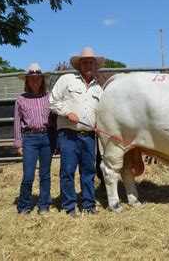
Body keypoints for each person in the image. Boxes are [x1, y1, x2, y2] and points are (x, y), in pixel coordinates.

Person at [49, 47, 105, 216]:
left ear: (95, 65)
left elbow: (103, 112)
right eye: (85, 62)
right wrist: (67, 113)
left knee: (89, 171)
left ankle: (88, 205)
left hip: (89, 136)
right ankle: (69, 206)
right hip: (68, 135)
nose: (88, 64)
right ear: (79, 64)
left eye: (91, 62)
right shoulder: (67, 79)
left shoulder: (98, 89)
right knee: (67, 171)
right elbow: (52, 101)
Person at [14, 63, 56, 214]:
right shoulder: (21, 99)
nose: (35, 81)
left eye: (37, 79)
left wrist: (56, 139)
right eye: (31, 79)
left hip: (47, 136)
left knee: (45, 174)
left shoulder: (49, 97)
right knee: (28, 175)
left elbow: (55, 118)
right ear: (27, 81)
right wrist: (19, 143)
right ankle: (24, 205)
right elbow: (17, 122)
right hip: (29, 138)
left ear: (42, 80)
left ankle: (44, 205)